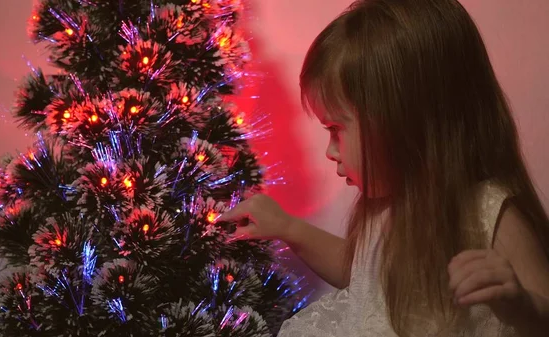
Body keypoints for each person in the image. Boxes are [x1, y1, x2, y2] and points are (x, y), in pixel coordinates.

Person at [216, 0, 549, 336]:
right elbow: (360, 276)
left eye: (336, 129)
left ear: (404, 122)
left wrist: (520, 305)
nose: (331, 151)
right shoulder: (384, 207)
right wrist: (288, 227)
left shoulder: (488, 214)